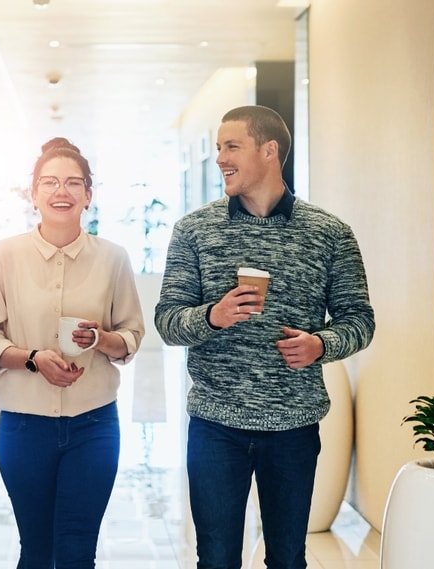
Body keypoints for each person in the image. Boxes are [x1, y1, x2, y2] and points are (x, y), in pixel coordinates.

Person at [154, 105, 375, 569]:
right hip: (215, 426)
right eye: (218, 147)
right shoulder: (194, 231)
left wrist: (321, 345)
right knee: (215, 559)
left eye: (231, 146)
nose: (219, 158)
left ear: (269, 150)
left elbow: (359, 321)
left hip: (294, 427)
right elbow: (168, 321)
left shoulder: (329, 234)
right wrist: (213, 317)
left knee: (289, 559)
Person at [0, 138, 145, 568]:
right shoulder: (4, 256)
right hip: (23, 427)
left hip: (95, 425)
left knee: (77, 550)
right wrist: (32, 358)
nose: (60, 192)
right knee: (36, 548)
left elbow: (133, 336)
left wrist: (101, 339)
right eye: (49, 182)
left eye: (72, 183)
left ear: (88, 195)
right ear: (34, 193)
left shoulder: (113, 258)